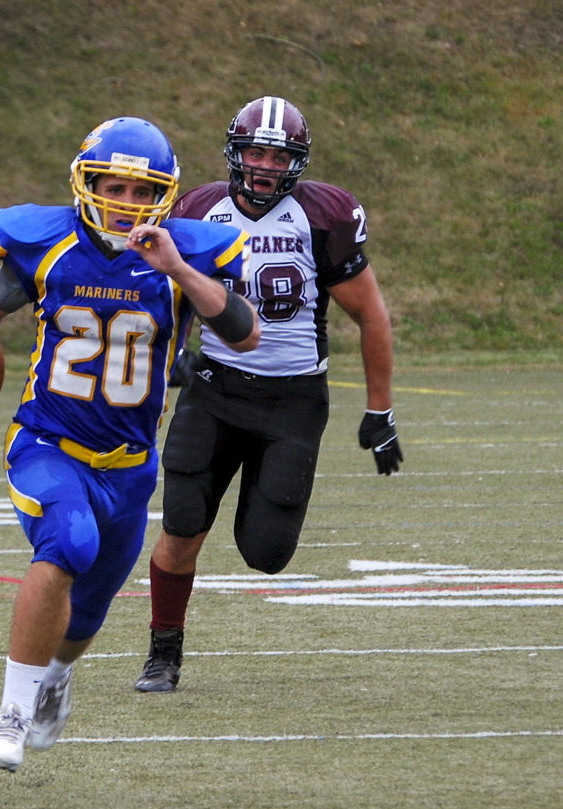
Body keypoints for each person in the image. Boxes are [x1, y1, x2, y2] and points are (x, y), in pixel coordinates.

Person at [0, 116, 259, 773]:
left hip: (129, 466)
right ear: (87, 182)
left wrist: (176, 266)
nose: (125, 202)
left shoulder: (182, 253)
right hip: (47, 442)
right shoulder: (49, 243)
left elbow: (245, 334)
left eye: (139, 190)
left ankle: (57, 677)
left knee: (90, 606)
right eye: (114, 186)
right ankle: (10, 713)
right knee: (69, 542)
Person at [134, 96, 403, 693]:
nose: (262, 166)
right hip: (214, 390)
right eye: (254, 151)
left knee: (267, 553)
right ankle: (163, 653)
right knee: (181, 526)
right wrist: (168, 357)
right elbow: (167, 293)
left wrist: (379, 411)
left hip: (293, 402)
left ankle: (254, 504)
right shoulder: (199, 208)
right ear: (234, 151)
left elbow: (372, 315)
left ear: (297, 162)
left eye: (277, 156)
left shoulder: (326, 215)